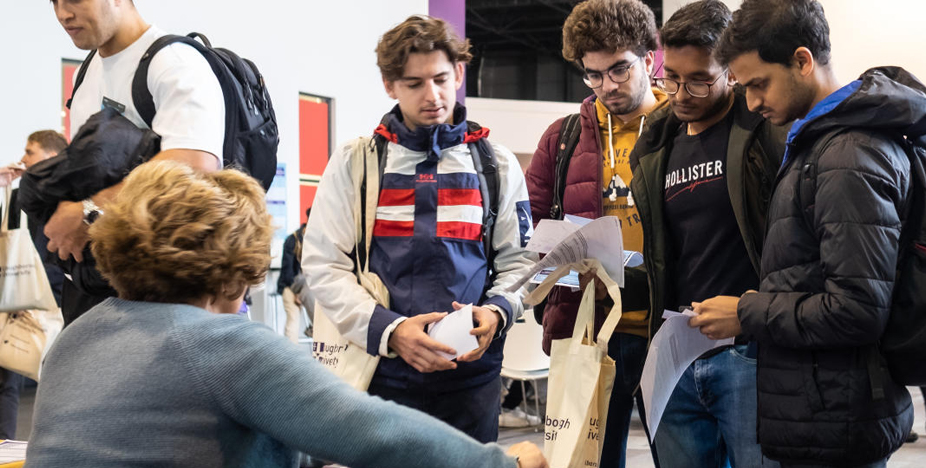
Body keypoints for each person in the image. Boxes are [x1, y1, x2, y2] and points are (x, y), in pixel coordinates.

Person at [23, 161, 547, 468]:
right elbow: (374, 432)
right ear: (234, 274)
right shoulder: (223, 345)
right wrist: (501, 463)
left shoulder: (77, 337)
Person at [691, 0, 926, 467]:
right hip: (821, 410)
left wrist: (747, 312)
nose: (752, 103)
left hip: (837, 420)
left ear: (802, 61)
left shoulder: (848, 154)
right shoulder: (821, 145)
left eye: (759, 84)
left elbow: (856, 309)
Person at [302, 15, 536, 443]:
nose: (432, 95)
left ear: (459, 74)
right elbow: (323, 265)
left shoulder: (496, 164)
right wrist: (390, 331)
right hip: (380, 377)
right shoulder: (356, 163)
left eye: (441, 79)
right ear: (389, 85)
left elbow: (521, 263)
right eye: (414, 83)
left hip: (472, 380)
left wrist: (497, 312)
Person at [33, 0, 224, 323]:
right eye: (53, 0)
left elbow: (196, 166)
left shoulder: (172, 62)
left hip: (163, 289)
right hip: (97, 282)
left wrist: (88, 211)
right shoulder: (87, 71)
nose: (62, 14)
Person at [628, 0, 786, 468]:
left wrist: (755, 313)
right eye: (671, 77)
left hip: (747, 352)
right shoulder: (656, 145)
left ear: (731, 72)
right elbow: (669, 255)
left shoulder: (765, 135)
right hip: (676, 350)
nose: (680, 93)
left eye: (699, 79)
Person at [525, 0, 668, 468]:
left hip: (667, 329)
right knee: (588, 460)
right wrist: (564, 277)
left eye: (620, 69)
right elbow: (535, 232)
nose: (607, 86)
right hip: (590, 329)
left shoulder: (680, 128)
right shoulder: (562, 137)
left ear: (649, 58)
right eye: (593, 74)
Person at [0, 130, 68, 440]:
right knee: (9, 375)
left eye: (30, 152)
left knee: (59, 376)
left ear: (51, 157)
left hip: (55, 300)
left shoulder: (72, 198)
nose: (23, 159)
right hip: (21, 299)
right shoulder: (18, 197)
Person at [278, 208, 309, 342]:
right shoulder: (293, 240)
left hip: (308, 288)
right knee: (293, 320)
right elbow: (288, 272)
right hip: (290, 287)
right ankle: (290, 352)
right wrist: (297, 292)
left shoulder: (318, 241)